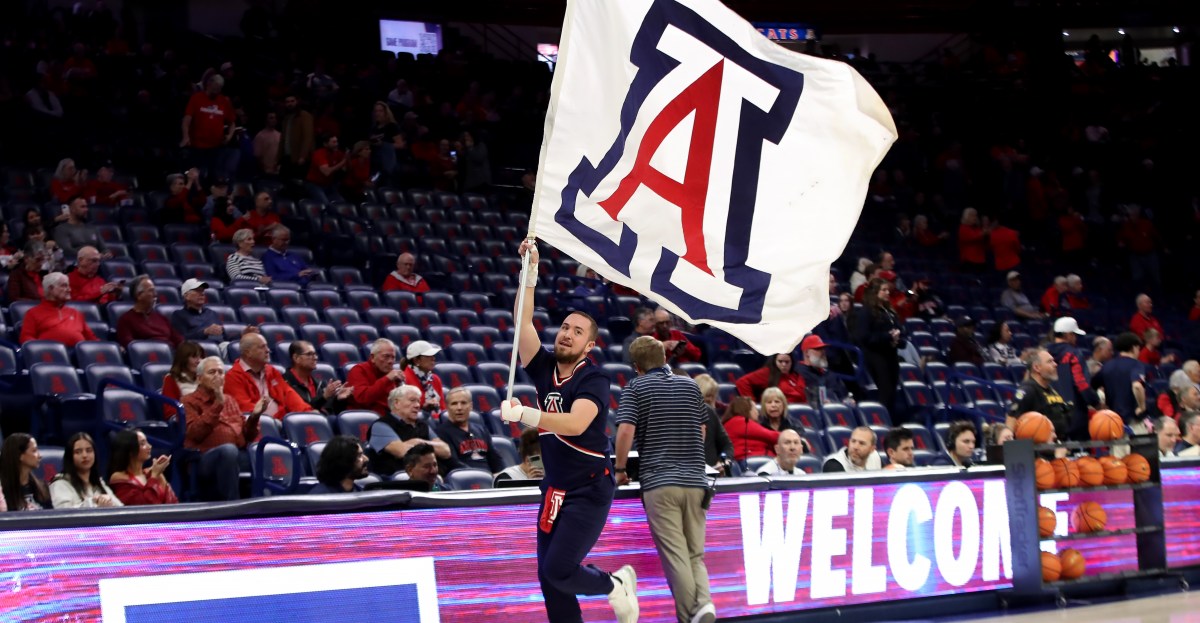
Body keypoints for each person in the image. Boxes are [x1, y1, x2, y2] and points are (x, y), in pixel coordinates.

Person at [500, 239, 637, 623]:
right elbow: (522, 324)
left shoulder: (593, 378)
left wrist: (526, 414)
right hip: (555, 489)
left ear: (588, 345)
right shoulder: (544, 367)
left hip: (589, 489)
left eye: (577, 331)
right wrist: (530, 272)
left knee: (560, 570)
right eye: (564, 327)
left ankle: (616, 586)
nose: (566, 334)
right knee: (549, 581)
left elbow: (576, 423)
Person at [614, 335, 715, 623]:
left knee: (676, 556)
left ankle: (689, 617)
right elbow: (703, 432)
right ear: (664, 359)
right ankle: (704, 605)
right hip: (697, 482)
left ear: (636, 366)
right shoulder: (691, 385)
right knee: (695, 554)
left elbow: (624, 431)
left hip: (660, 482)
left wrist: (621, 470)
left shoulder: (635, 387)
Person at [183, 356, 266, 501]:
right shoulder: (189, 401)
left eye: (221, 372)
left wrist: (254, 416)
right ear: (199, 379)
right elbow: (195, 433)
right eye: (212, 372)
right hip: (204, 458)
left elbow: (248, 436)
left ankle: (269, 508)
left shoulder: (230, 400)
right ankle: (232, 507)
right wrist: (218, 404)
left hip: (236, 454)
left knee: (264, 453)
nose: (217, 376)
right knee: (228, 450)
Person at [367, 385, 452, 476]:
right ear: (397, 403)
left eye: (418, 401)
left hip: (431, 476)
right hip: (400, 480)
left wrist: (418, 442)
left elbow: (445, 451)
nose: (417, 405)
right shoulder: (380, 426)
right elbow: (401, 451)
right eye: (412, 401)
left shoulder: (422, 425)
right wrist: (429, 446)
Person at [225, 333, 312, 418]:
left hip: (281, 421)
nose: (268, 350)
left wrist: (308, 411)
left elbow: (288, 395)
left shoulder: (272, 371)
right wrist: (274, 421)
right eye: (262, 347)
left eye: (267, 346)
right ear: (248, 353)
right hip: (262, 426)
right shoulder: (232, 377)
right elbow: (247, 410)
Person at [852, 278, 904, 416]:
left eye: (888, 290)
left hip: (891, 355)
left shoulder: (889, 311)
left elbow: (900, 330)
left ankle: (889, 421)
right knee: (885, 392)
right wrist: (888, 337)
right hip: (875, 356)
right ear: (874, 292)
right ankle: (881, 421)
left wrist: (897, 339)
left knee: (892, 391)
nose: (888, 293)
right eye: (884, 290)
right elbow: (863, 337)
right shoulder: (866, 312)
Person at [1047, 317, 1100, 440]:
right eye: (1074, 335)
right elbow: (1081, 384)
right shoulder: (1074, 354)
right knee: (1079, 457)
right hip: (1075, 416)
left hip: (1050, 416)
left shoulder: (1044, 355)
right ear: (1068, 335)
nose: (1076, 339)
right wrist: (1095, 402)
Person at [1008, 349, 1072, 440]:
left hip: (1058, 445)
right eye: (1050, 361)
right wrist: (1008, 434)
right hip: (1040, 449)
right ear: (1037, 368)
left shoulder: (1052, 390)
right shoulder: (1028, 390)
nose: (1055, 364)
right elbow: (1011, 417)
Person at [19, 272, 97, 346]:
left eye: (68, 286)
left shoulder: (76, 313)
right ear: (50, 289)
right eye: (64, 286)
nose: (69, 289)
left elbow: (92, 339)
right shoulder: (33, 313)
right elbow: (26, 338)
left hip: (78, 356)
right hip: (49, 356)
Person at [437, 386, 503, 473]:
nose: (459, 408)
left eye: (463, 403)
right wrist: (479, 474)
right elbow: (453, 463)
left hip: (489, 478)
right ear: (447, 407)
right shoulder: (441, 433)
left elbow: (495, 459)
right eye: (454, 403)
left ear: (471, 406)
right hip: (464, 479)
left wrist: (500, 475)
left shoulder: (481, 430)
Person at [1092, 332, 1149, 432]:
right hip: (1133, 421)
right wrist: (1142, 406)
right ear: (1133, 348)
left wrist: (1099, 404)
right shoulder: (1136, 365)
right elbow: (1137, 386)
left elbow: (1091, 386)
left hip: (1112, 421)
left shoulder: (1107, 366)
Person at [107, 429, 178, 506]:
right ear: (130, 450)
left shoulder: (153, 473)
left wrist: (156, 474)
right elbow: (144, 506)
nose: (149, 446)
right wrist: (154, 476)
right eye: (142, 443)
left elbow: (173, 502)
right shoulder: (118, 477)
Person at [50, 432, 122, 508]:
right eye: (78, 452)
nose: (85, 455)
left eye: (89, 450)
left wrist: (110, 503)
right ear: (70, 457)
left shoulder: (98, 483)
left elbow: (120, 508)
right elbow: (63, 514)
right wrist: (94, 503)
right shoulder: (60, 483)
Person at [283, 341, 352, 414]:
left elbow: (331, 412)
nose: (315, 358)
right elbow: (302, 409)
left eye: (315, 354)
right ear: (296, 358)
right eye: (309, 354)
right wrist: (323, 397)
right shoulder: (284, 383)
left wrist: (339, 400)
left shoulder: (321, 384)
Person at [116, 275, 184, 347]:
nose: (155, 294)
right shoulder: (126, 320)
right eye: (151, 290)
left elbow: (179, 341)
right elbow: (131, 346)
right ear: (139, 295)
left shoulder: (161, 318)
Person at [346, 338, 406, 417]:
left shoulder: (393, 376)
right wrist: (387, 379)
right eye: (386, 356)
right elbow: (362, 398)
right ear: (372, 358)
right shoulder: (359, 370)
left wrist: (400, 386)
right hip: (366, 418)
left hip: (390, 418)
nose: (390, 361)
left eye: (393, 357)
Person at [693, 374, 735, 476]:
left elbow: (727, 445)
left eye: (713, 396)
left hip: (714, 474)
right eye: (708, 396)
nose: (712, 400)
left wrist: (723, 462)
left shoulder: (710, 413)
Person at [796, 334, 851, 407]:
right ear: (806, 353)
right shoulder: (798, 373)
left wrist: (848, 401)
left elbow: (845, 397)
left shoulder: (830, 375)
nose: (823, 352)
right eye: (818, 349)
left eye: (823, 348)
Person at [722, 396, 781, 462]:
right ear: (747, 409)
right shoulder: (740, 422)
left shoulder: (734, 422)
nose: (757, 413)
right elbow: (772, 436)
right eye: (755, 409)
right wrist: (790, 435)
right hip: (749, 462)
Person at [1, 433, 50, 511]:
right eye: (34, 451)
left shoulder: (43, 487)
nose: (40, 456)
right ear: (20, 455)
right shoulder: (2, 491)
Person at [734, 352, 806, 404]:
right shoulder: (767, 372)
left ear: (792, 362)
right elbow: (742, 382)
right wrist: (752, 403)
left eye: (787, 362)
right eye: (780, 362)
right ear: (774, 361)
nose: (784, 365)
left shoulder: (796, 375)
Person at [170, 279, 226, 343]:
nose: (202, 293)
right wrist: (205, 332)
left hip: (219, 345)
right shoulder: (178, 315)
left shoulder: (212, 313)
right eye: (197, 290)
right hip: (195, 349)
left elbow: (223, 335)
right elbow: (181, 339)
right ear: (186, 296)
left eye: (202, 291)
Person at [161, 341, 204, 419]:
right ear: (183, 359)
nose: (199, 361)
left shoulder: (206, 378)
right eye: (194, 357)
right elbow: (170, 411)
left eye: (201, 357)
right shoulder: (171, 379)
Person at [402, 340, 446, 414]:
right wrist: (424, 409)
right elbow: (404, 411)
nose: (433, 358)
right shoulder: (403, 378)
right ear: (416, 360)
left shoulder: (435, 379)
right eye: (428, 355)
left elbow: (442, 409)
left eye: (433, 355)